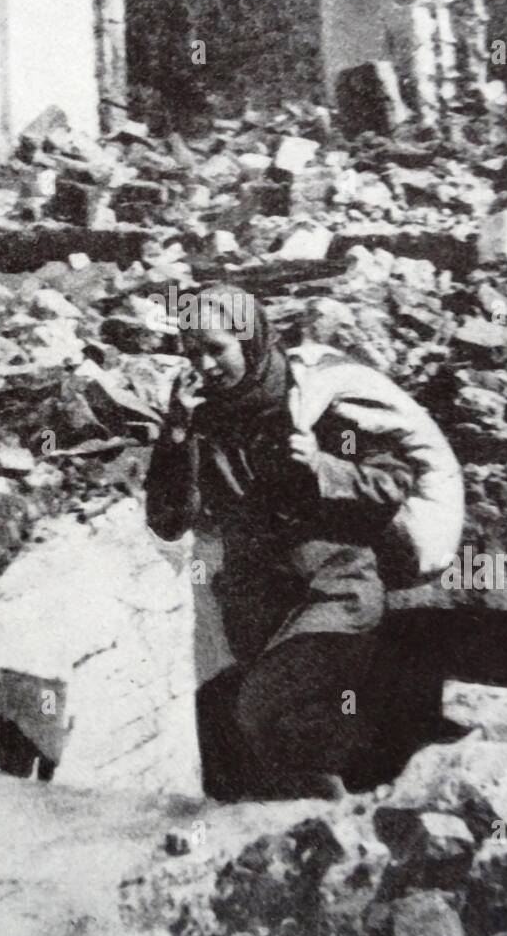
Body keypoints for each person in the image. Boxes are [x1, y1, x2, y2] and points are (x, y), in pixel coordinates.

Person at [145, 286, 464, 800]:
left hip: (334, 595)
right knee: (247, 748)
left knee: (264, 711)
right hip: (256, 612)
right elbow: (166, 521)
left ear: (248, 341)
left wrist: (321, 467)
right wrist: (176, 435)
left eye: (214, 348)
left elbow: (390, 482)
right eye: (191, 351)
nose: (203, 364)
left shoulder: (311, 401)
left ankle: (338, 821)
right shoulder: (202, 417)